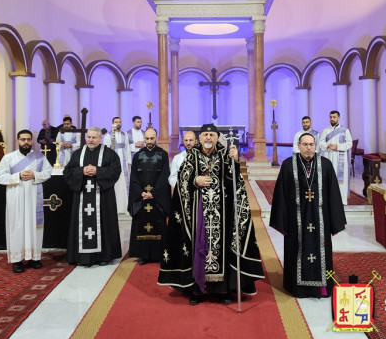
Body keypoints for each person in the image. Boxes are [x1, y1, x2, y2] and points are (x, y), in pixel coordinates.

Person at [158, 124, 264, 305]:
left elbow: (235, 183)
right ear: (200, 138)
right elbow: (182, 181)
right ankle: (197, 290)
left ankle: (222, 290)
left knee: (222, 249)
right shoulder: (191, 157)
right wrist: (195, 181)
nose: (208, 138)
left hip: (222, 215)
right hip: (197, 215)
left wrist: (234, 162)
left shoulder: (225, 155)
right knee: (198, 248)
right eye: (205, 134)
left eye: (212, 135)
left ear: (217, 138)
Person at [270, 133, 346, 298]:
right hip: (295, 220)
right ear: (298, 146)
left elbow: (333, 193)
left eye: (311, 144)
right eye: (305, 144)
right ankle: (297, 288)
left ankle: (321, 288)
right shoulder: (288, 165)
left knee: (321, 251)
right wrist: (282, 220)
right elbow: (281, 194)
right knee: (296, 251)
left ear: (315, 146)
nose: (308, 148)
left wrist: (335, 220)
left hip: (321, 219)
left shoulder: (325, 165)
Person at [63, 127, 122, 266]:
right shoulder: (78, 154)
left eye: (94, 137)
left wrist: (98, 171)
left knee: (104, 224)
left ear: (100, 138)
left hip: (102, 197)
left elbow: (116, 171)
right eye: (89, 137)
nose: (90, 140)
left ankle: (104, 257)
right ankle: (82, 257)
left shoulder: (110, 154)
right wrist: (81, 171)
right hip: (82, 196)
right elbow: (68, 172)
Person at [0, 129, 52, 273]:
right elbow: (0, 177)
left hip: (34, 197)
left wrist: (35, 175)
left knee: (34, 226)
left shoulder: (39, 157)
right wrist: (18, 176)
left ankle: (35, 257)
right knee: (17, 226)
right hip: (16, 197)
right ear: (17, 141)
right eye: (23, 139)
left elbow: (48, 172)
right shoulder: (8, 158)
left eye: (28, 139)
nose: (26, 142)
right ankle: (17, 260)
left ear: (32, 141)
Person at [128, 127, 171, 265]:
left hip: (157, 198)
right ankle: (143, 255)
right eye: (147, 138)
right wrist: (141, 192)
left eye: (152, 138)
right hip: (142, 198)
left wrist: (154, 193)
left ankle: (159, 254)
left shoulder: (163, 154)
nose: (150, 141)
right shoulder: (138, 155)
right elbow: (134, 177)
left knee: (158, 225)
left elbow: (165, 176)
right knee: (141, 225)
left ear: (156, 138)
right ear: (144, 138)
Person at [319, 110, 353, 205]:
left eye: (334, 117)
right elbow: (321, 142)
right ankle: (329, 200)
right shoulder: (326, 130)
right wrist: (327, 145)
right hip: (329, 156)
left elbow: (349, 143)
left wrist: (337, 146)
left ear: (338, 118)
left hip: (340, 159)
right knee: (328, 178)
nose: (332, 119)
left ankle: (341, 200)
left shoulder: (345, 130)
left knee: (341, 179)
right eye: (330, 117)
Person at [103, 116, 131, 214]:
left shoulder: (124, 135)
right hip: (113, 164)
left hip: (123, 163)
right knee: (115, 184)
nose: (118, 123)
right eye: (116, 122)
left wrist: (128, 161)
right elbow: (105, 150)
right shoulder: (108, 136)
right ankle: (113, 207)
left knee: (123, 184)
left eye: (119, 122)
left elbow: (127, 148)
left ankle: (124, 207)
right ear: (112, 123)